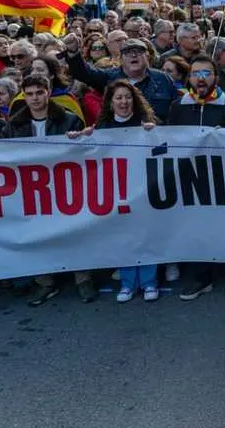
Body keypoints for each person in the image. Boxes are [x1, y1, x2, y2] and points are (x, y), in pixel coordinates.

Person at [4, 75, 88, 306]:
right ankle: (45, 282)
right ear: (23, 96)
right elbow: (3, 155)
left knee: (74, 232)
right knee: (37, 235)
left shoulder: (69, 120)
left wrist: (78, 140)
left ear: (48, 92)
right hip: (32, 189)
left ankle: (83, 278)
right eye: (29, 94)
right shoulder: (14, 125)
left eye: (39, 92)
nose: (35, 98)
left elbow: (85, 153)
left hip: (64, 186)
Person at [167, 56, 225, 302]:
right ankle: (202, 276)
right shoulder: (178, 105)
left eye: (206, 73)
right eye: (196, 74)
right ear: (189, 78)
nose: (201, 79)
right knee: (197, 227)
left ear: (216, 78)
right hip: (192, 178)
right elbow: (169, 140)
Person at [77, 80, 159, 303]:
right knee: (123, 236)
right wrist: (82, 137)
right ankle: (127, 283)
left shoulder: (147, 123)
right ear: (111, 102)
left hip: (144, 188)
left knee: (145, 235)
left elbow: (162, 152)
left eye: (128, 97)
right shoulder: (102, 128)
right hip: (117, 190)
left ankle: (149, 282)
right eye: (119, 98)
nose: (124, 102)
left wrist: (154, 135)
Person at [63, 35, 177, 121]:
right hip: (121, 139)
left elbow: (176, 110)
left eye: (138, 52)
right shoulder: (109, 77)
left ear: (147, 56)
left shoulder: (163, 79)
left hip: (156, 138)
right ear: (121, 59)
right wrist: (73, 52)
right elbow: (83, 73)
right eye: (128, 52)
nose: (133, 55)